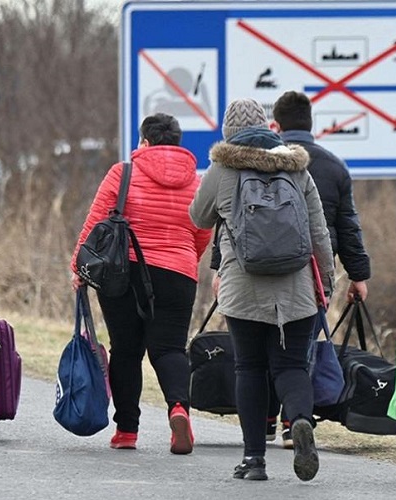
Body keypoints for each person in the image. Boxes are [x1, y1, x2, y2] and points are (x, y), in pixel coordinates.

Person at [189, 98, 335, 481]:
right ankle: (300, 420)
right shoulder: (297, 167)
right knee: (289, 366)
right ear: (267, 127)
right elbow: (319, 231)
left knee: (249, 368)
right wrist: (328, 283)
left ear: (227, 132)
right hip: (296, 288)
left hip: (242, 286)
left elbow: (198, 216)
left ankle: (254, 460)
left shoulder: (222, 168)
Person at [71, 113, 211, 455]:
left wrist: (79, 264)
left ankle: (126, 430)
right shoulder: (197, 181)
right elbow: (203, 230)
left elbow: (97, 220)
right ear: (178, 143)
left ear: (144, 142)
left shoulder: (123, 173)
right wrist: (184, 259)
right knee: (170, 349)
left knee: (126, 349)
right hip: (178, 272)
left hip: (123, 271)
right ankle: (178, 408)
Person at [265, 90, 372, 447]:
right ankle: (292, 419)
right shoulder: (333, 166)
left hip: (262, 269)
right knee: (301, 347)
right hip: (314, 273)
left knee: (260, 340)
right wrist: (358, 275)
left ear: (275, 126)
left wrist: (220, 268)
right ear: (312, 126)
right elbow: (348, 227)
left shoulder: (262, 161)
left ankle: (265, 415)